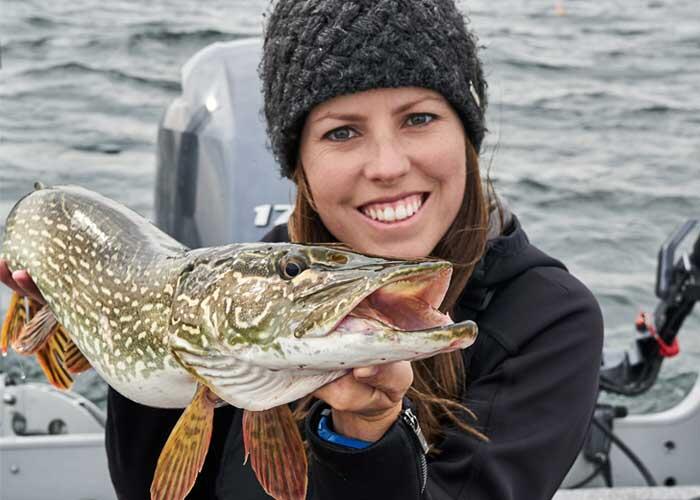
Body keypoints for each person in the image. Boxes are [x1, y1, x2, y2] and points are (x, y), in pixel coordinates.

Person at [0, 0, 604, 498]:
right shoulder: (262, 277)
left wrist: (367, 435)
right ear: (299, 168)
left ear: (466, 135)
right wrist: (98, 317)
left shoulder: (550, 320)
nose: (389, 165)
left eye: (419, 119)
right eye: (342, 132)